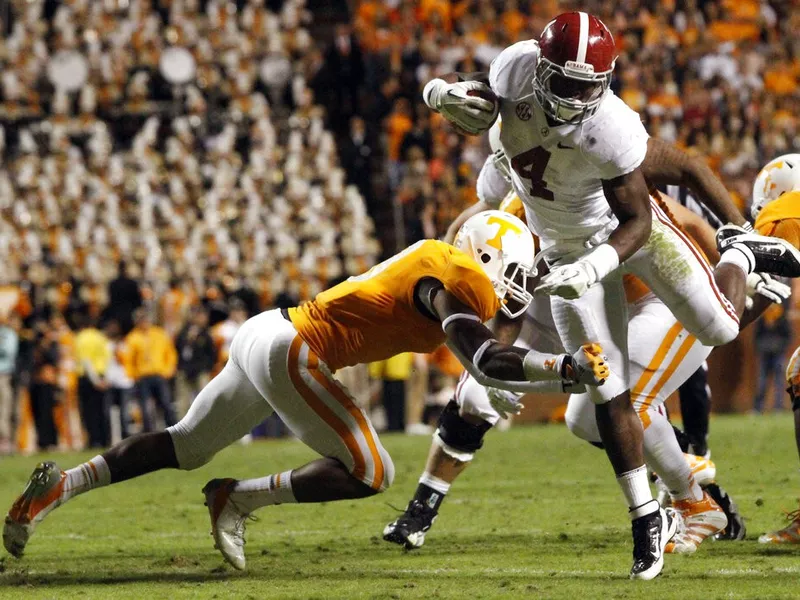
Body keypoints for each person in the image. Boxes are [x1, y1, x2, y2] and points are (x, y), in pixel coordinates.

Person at [3, 212, 609, 571]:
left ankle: (63, 485)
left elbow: (476, 353)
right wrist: (563, 369)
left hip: (269, 333)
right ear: (487, 255)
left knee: (185, 443)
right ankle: (237, 499)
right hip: (295, 349)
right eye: (516, 268)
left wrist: (498, 371)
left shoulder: (444, 264)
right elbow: (483, 354)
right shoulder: (457, 279)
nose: (519, 284)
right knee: (374, 471)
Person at [421, 11, 800, 580]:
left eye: (585, 86)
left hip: (630, 247)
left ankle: (743, 256)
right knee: (602, 396)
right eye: (563, 83)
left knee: (718, 329)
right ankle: (652, 514)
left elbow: (644, 219)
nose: (573, 98)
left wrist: (603, 261)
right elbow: (478, 95)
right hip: (570, 256)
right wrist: (442, 94)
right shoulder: (514, 83)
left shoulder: (612, 128)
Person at [124, 309, 179, 432]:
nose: (143, 322)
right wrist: (133, 375)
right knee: (146, 409)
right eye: (140, 320)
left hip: (159, 374)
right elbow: (128, 360)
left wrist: (168, 370)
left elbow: (170, 353)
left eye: (145, 319)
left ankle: (174, 432)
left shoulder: (159, 334)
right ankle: (149, 434)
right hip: (143, 377)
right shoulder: (132, 337)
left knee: (166, 404)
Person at [74, 318, 112, 448]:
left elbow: (86, 361)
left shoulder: (82, 338)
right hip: (102, 375)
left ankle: (94, 440)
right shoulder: (101, 337)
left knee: (89, 412)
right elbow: (108, 358)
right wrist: (105, 378)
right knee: (102, 410)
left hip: (88, 378)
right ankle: (105, 439)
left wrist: (95, 381)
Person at [175, 307, 216, 417]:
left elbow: (212, 353)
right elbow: (177, 349)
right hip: (185, 369)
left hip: (201, 370)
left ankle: (208, 425)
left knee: (205, 399)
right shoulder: (183, 332)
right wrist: (189, 340)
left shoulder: (205, 334)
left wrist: (206, 367)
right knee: (183, 403)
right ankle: (182, 429)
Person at [753, 305, 792, 413]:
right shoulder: (762, 319)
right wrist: (763, 347)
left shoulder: (782, 319)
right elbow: (756, 337)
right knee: (761, 382)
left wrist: (778, 347)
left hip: (778, 355)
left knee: (779, 383)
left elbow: (788, 337)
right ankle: (758, 408)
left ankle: (778, 408)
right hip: (764, 355)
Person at [0, 315, 19, 454]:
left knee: (5, 409)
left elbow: (9, 352)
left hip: (4, 375)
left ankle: (5, 441)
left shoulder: (8, 334)